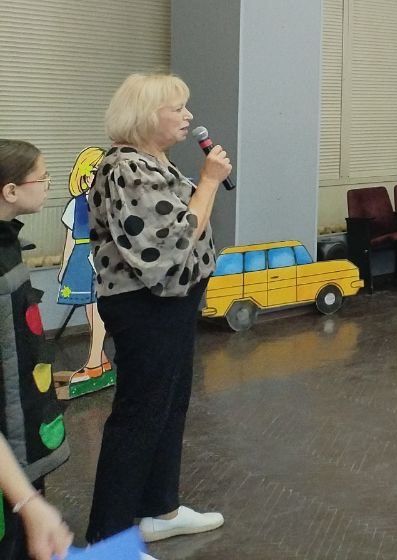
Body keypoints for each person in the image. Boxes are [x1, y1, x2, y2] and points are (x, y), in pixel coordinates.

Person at [85, 74, 229, 545]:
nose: (189, 116)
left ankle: (159, 510)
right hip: (145, 306)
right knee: (140, 415)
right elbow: (172, 241)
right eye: (178, 108)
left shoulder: (154, 161)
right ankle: (108, 539)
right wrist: (209, 182)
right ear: (147, 116)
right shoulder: (127, 168)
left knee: (168, 406)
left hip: (172, 304)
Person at [0, 141, 73, 560]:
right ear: (10, 191)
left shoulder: (9, 241)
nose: (48, 185)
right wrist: (26, 502)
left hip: (21, 419)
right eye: (42, 178)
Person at [56, 146, 110, 388]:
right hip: (80, 259)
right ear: (84, 173)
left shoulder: (109, 203)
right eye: (94, 171)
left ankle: (94, 364)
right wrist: (64, 267)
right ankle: (101, 359)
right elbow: (70, 238)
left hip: (101, 260)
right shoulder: (75, 204)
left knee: (97, 310)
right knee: (90, 310)